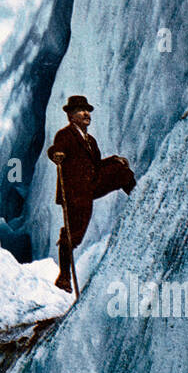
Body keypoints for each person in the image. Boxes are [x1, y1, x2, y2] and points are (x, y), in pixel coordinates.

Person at [47, 95, 135, 293]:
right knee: (73, 233)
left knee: (121, 171)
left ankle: (140, 198)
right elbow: (55, 149)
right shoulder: (66, 135)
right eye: (80, 110)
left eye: (87, 110)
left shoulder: (91, 141)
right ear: (70, 115)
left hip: (91, 185)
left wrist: (114, 160)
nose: (86, 113)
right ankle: (64, 276)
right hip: (75, 192)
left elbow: (96, 165)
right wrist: (56, 155)